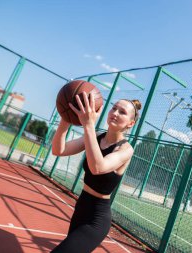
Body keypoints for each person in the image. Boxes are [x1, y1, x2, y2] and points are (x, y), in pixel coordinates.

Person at [51, 92, 141, 252]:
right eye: (114, 108)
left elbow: (98, 167)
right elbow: (59, 150)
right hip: (81, 207)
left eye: (122, 112)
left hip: (97, 219)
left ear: (130, 123)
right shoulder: (98, 136)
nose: (115, 113)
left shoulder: (126, 150)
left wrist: (88, 125)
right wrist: (66, 119)